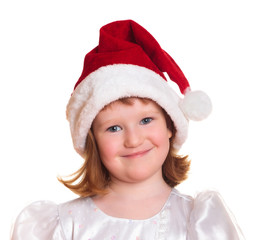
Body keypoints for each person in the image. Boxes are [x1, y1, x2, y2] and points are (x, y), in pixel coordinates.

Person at [11, 20, 245, 240]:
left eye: (146, 120)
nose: (133, 140)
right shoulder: (63, 225)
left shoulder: (197, 221)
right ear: (92, 140)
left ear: (170, 125)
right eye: (114, 128)